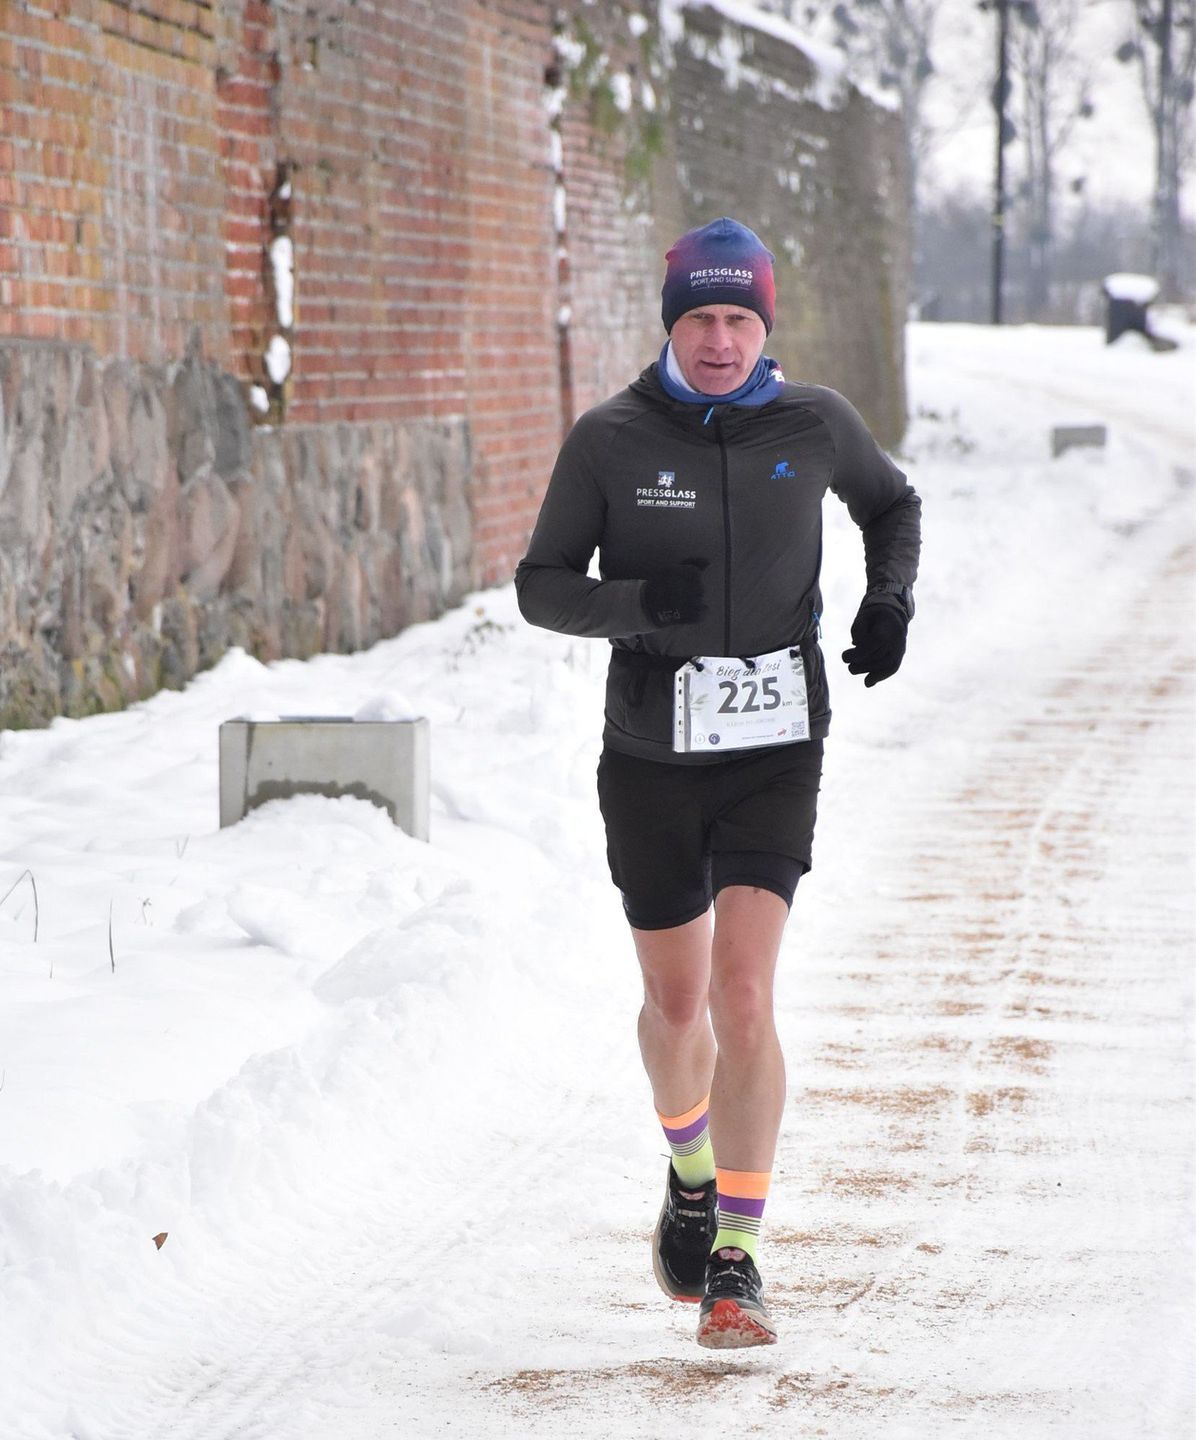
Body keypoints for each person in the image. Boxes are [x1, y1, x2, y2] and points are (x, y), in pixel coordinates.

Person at [514, 217, 921, 1349]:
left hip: (775, 748)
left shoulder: (813, 422)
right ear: (670, 325)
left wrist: (886, 602)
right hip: (650, 753)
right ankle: (687, 1171)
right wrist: (641, 610)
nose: (720, 337)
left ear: (764, 325)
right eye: (700, 316)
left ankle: (736, 1255)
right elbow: (540, 586)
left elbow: (891, 505)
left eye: (740, 316)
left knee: (744, 997)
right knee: (678, 1004)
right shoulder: (609, 440)